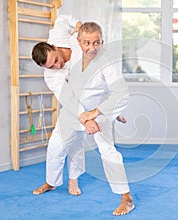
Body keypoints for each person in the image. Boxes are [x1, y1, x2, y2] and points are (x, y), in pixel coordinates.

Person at [31, 15, 126, 197]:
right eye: (51, 66)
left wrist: (77, 24)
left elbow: (63, 18)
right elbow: (68, 99)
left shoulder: (63, 36)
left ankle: (73, 180)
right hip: (73, 105)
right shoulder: (51, 76)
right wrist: (85, 119)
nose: (57, 66)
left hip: (95, 97)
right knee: (56, 145)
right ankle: (51, 182)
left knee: (77, 144)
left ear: (54, 46)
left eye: (57, 60)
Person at [66, 21, 134, 216]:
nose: (92, 48)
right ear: (78, 42)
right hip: (78, 107)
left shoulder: (107, 62)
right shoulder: (73, 49)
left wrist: (95, 114)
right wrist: (84, 117)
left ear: (102, 42)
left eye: (97, 43)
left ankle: (126, 198)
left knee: (106, 149)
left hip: (100, 108)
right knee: (69, 141)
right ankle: (69, 179)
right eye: (87, 43)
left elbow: (121, 93)